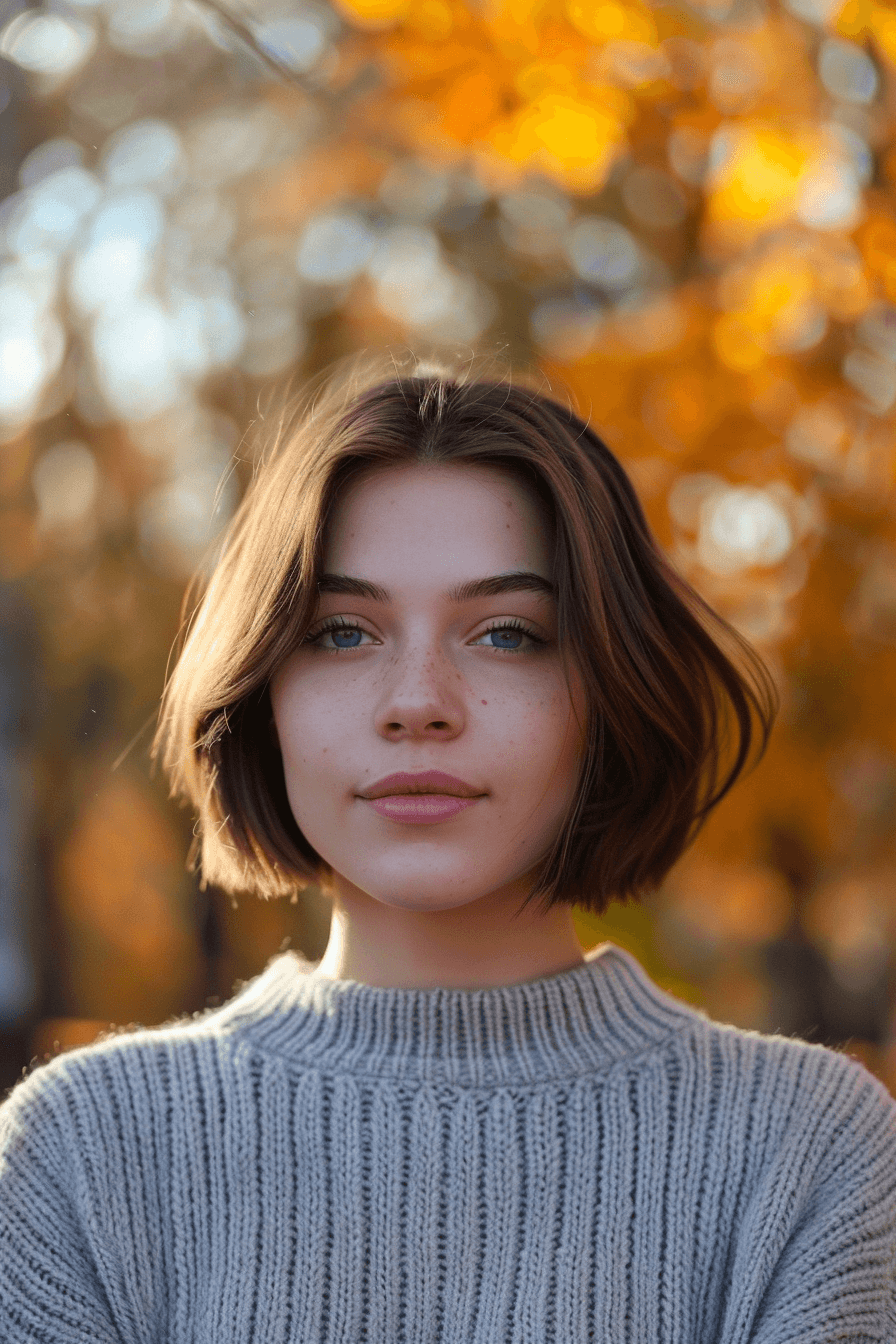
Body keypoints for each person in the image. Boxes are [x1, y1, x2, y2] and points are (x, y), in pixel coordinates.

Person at [1, 350, 894, 1342]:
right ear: (263, 695)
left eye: (505, 634)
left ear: (608, 692)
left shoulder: (804, 1150)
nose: (418, 703)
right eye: (341, 632)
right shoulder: (82, 1152)